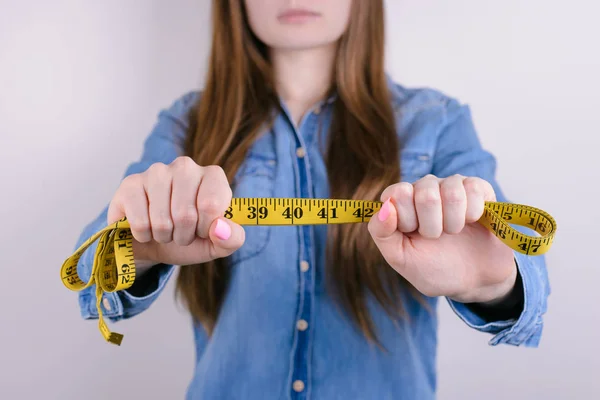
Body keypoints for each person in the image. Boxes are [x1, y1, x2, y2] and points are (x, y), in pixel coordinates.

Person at [72, 0, 550, 398]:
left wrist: (492, 283)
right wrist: (139, 247)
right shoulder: (185, 125)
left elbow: (527, 279)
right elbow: (90, 275)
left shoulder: (437, 122)